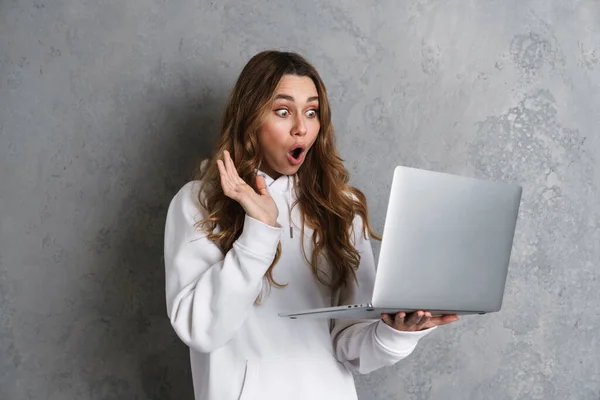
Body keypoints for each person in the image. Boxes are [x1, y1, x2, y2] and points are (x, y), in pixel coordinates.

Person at [163, 50, 459, 400]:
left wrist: (396, 332)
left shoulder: (342, 207)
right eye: (283, 111)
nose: (301, 127)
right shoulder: (200, 203)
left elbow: (350, 345)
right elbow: (202, 330)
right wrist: (259, 230)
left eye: (312, 112)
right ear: (250, 121)